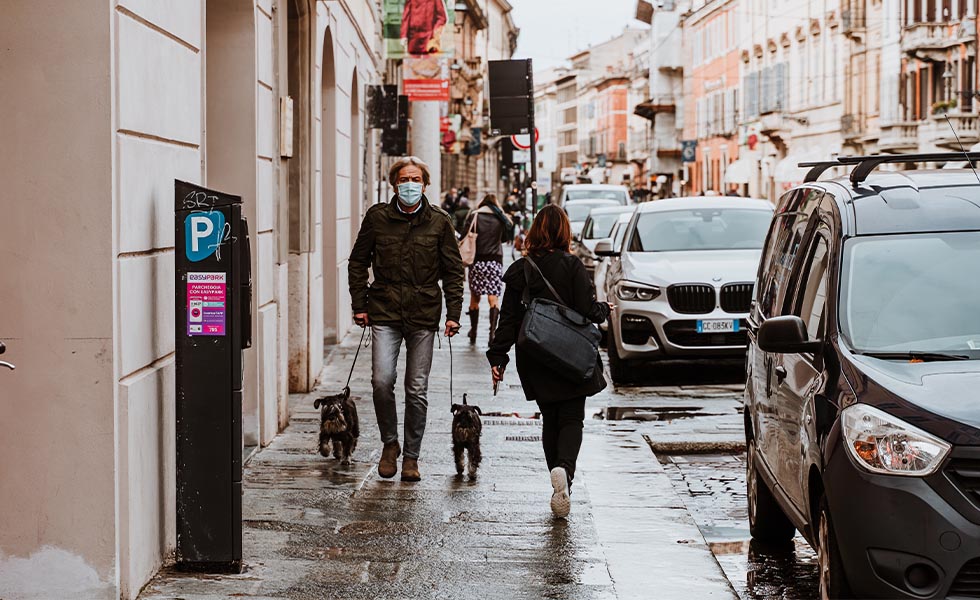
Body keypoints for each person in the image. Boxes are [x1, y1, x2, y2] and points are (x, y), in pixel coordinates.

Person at [486, 205, 611, 518]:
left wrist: (498, 356)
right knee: (571, 418)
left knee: (550, 418)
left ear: (535, 232)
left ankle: (556, 475)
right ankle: (564, 473)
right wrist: (604, 310)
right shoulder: (573, 266)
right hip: (570, 354)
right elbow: (587, 309)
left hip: (535, 355)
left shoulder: (521, 270)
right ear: (564, 232)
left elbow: (509, 319)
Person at [349, 156, 465, 482]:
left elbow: (454, 272)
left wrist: (454, 314)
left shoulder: (440, 222)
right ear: (394, 184)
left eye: (415, 179)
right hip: (384, 309)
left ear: (425, 184)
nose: (410, 185)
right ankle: (390, 443)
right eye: (404, 180)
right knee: (382, 381)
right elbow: (358, 262)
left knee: (416, 389)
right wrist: (360, 304)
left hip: (424, 313)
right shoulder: (377, 218)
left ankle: (412, 456)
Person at [462, 194, 514, 345]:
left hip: (477, 261)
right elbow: (504, 238)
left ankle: (473, 331)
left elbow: (465, 235)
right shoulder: (500, 217)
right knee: (493, 298)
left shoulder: (474, 216)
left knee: (475, 296)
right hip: (494, 261)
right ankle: (492, 334)